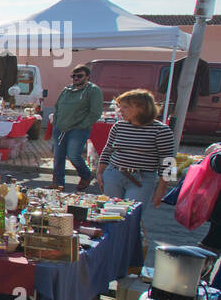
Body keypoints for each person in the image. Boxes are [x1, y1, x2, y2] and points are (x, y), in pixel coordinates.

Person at [97, 89, 177, 207]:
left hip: (142, 178)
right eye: (120, 107)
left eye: (125, 107)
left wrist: (161, 189)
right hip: (113, 174)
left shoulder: (161, 130)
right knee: (109, 213)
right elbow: (108, 149)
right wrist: (100, 172)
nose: (120, 110)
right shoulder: (119, 126)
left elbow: (168, 161)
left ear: (140, 108)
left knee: (131, 216)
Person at [50, 63, 103, 191]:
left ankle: (86, 175)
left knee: (73, 154)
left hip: (78, 129)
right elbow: (57, 106)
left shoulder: (93, 90)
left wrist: (82, 125)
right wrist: (56, 121)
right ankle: (58, 184)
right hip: (60, 128)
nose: (76, 78)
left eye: (79, 76)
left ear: (87, 77)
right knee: (58, 156)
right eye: (73, 76)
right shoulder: (67, 90)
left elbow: (95, 112)